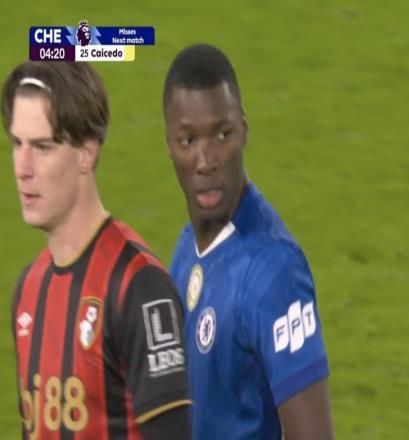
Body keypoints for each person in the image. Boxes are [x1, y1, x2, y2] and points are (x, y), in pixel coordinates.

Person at [2, 61, 191, 439]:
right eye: (17, 144)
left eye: (42, 147)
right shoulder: (29, 289)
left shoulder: (138, 286)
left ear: (86, 153)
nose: (22, 168)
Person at [163, 44, 334, 439]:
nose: (206, 161)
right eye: (188, 141)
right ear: (169, 145)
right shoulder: (186, 250)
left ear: (244, 130)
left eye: (222, 135)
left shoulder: (273, 271)